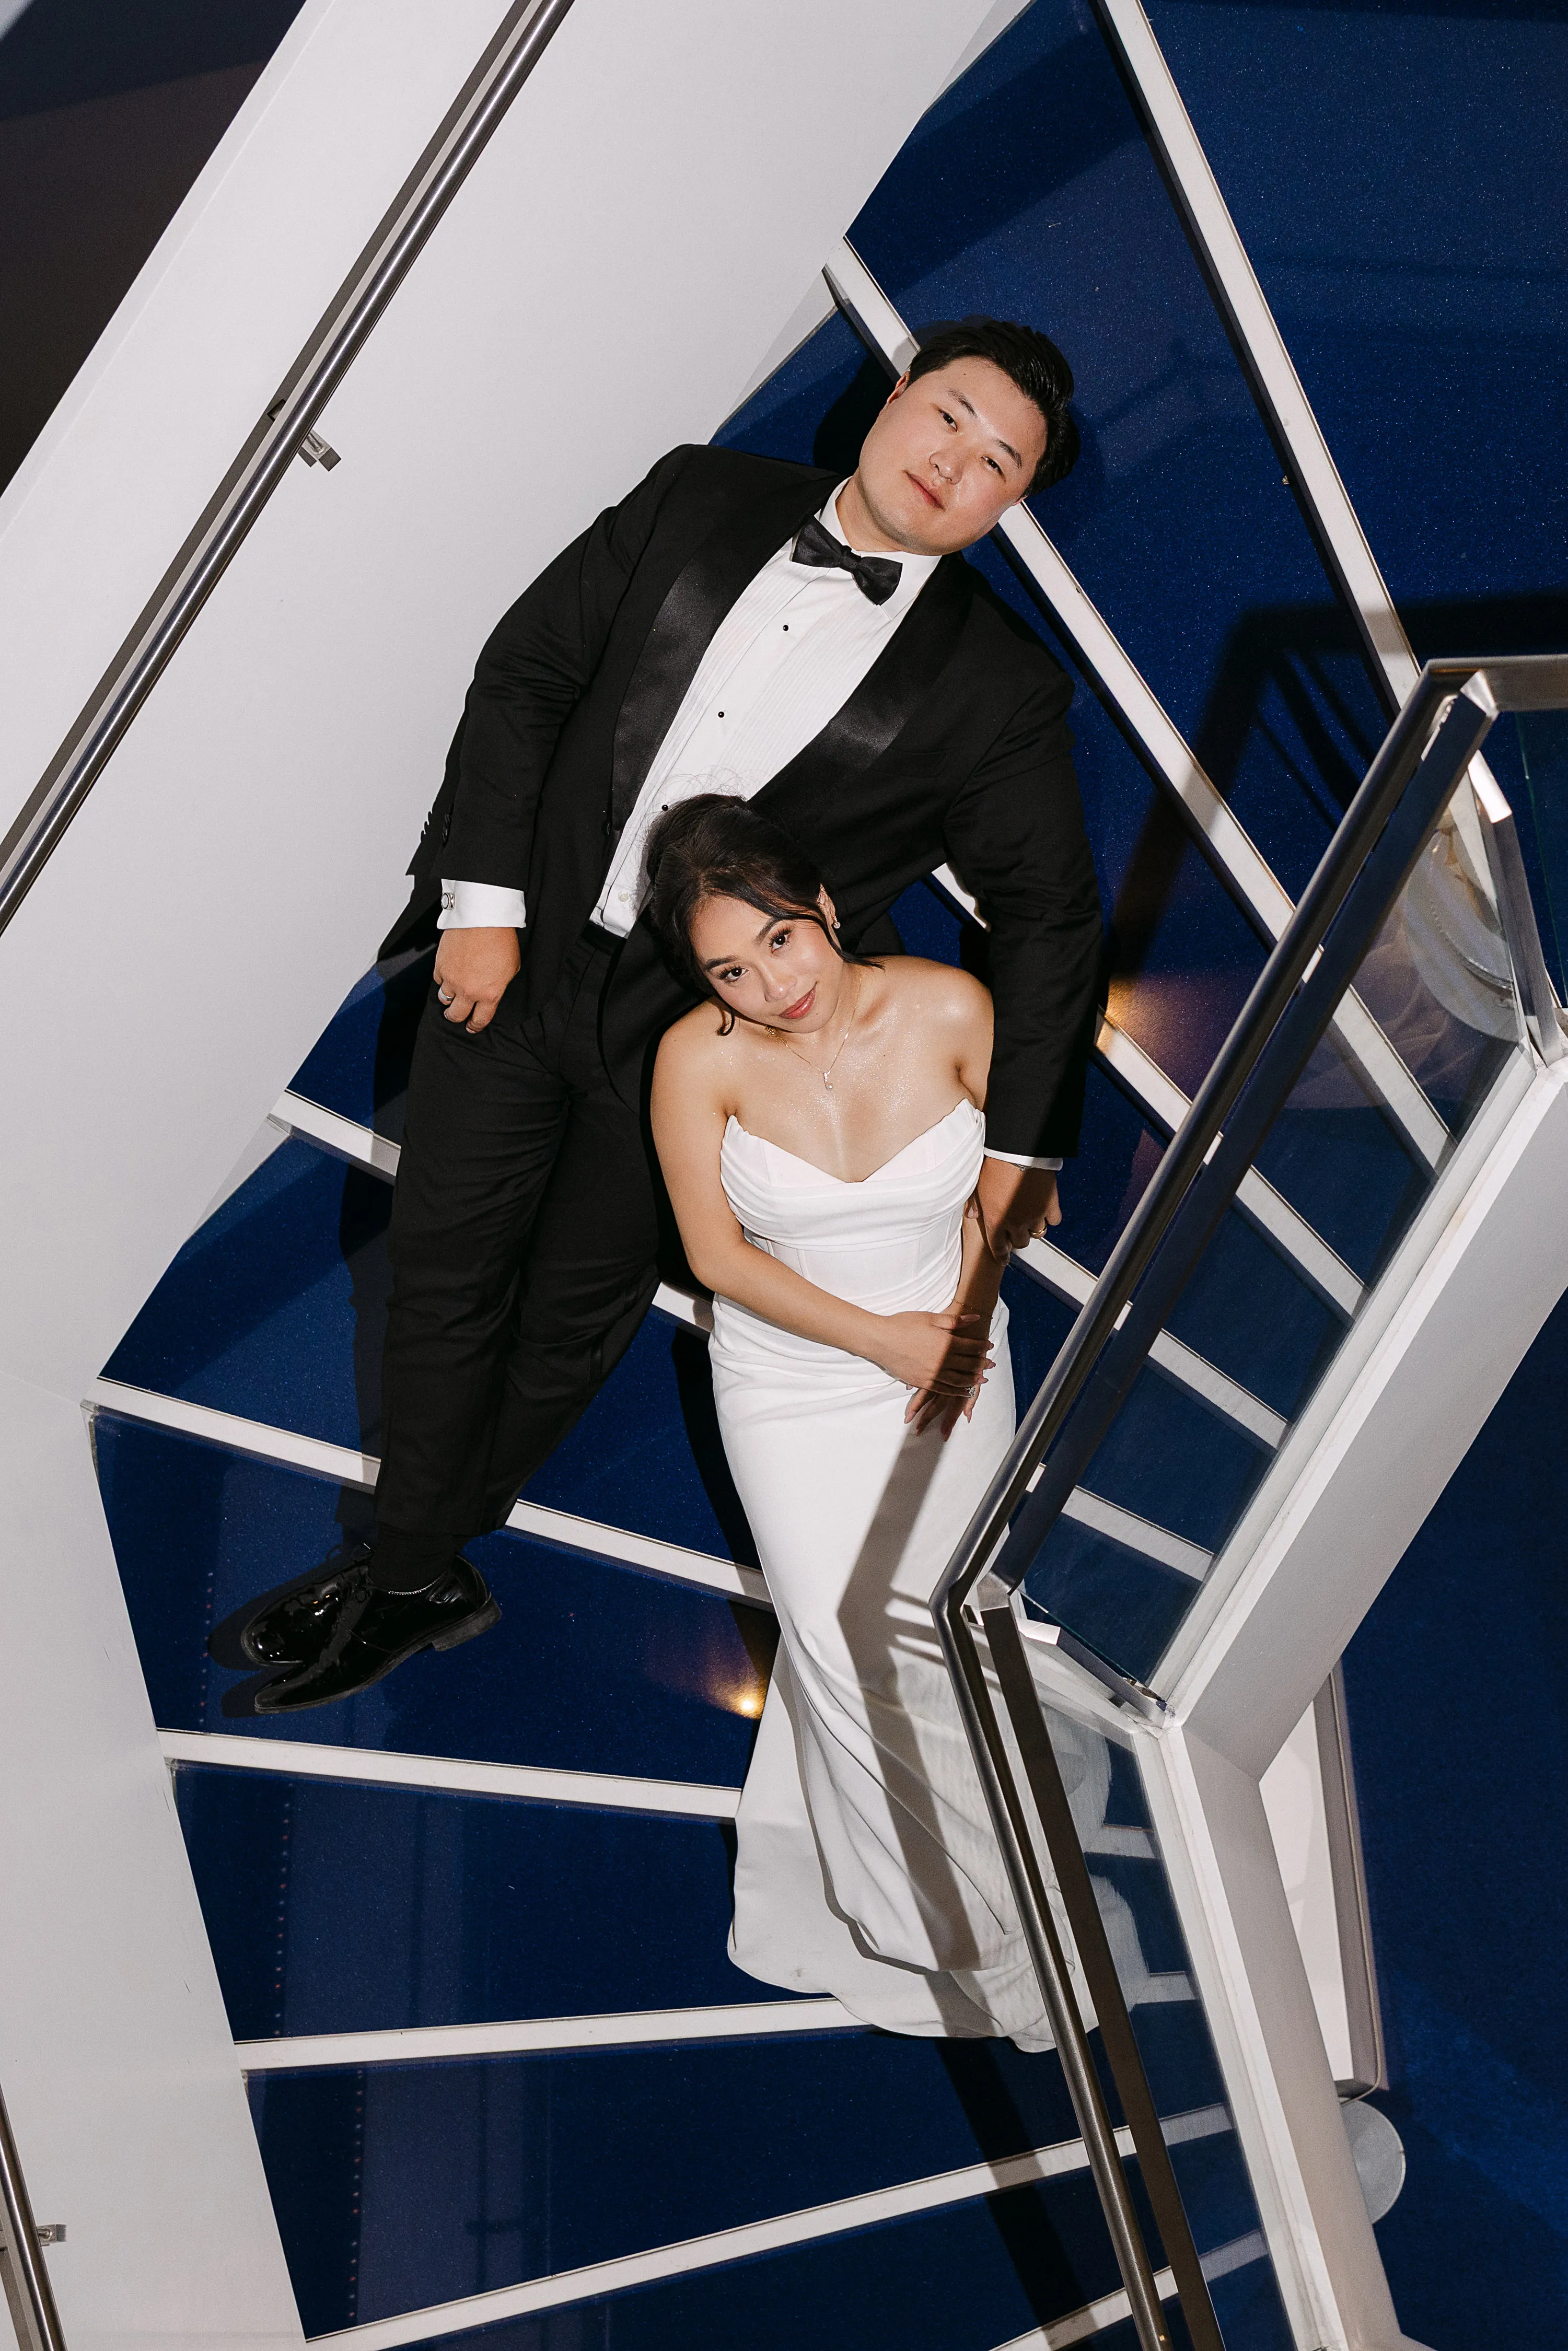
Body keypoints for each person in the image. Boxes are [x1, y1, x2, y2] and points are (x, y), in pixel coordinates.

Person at [237, 316, 1103, 1712]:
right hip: (512, 971)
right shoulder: (701, 492)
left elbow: (1054, 915)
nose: (959, 461)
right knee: (443, 1273)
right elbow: (530, 677)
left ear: (1010, 507)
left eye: (1001, 463)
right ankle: (411, 1565)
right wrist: (480, 903)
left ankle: (417, 1556)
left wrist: (1026, 1144)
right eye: (951, 416)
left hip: (705, 1048)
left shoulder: (996, 688)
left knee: (570, 1321)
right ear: (897, 398)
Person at [646, 794, 1051, 2043]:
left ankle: (1015, 1855)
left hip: (956, 1347)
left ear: (822, 907)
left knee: (943, 1626)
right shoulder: (694, 1061)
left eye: (780, 940)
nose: (771, 985)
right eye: (730, 967)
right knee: (832, 1632)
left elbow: (1014, 1189)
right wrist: (884, 1343)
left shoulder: (950, 1007)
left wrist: (967, 1319)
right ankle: (939, 1925)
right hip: (792, 1379)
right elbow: (716, 1256)